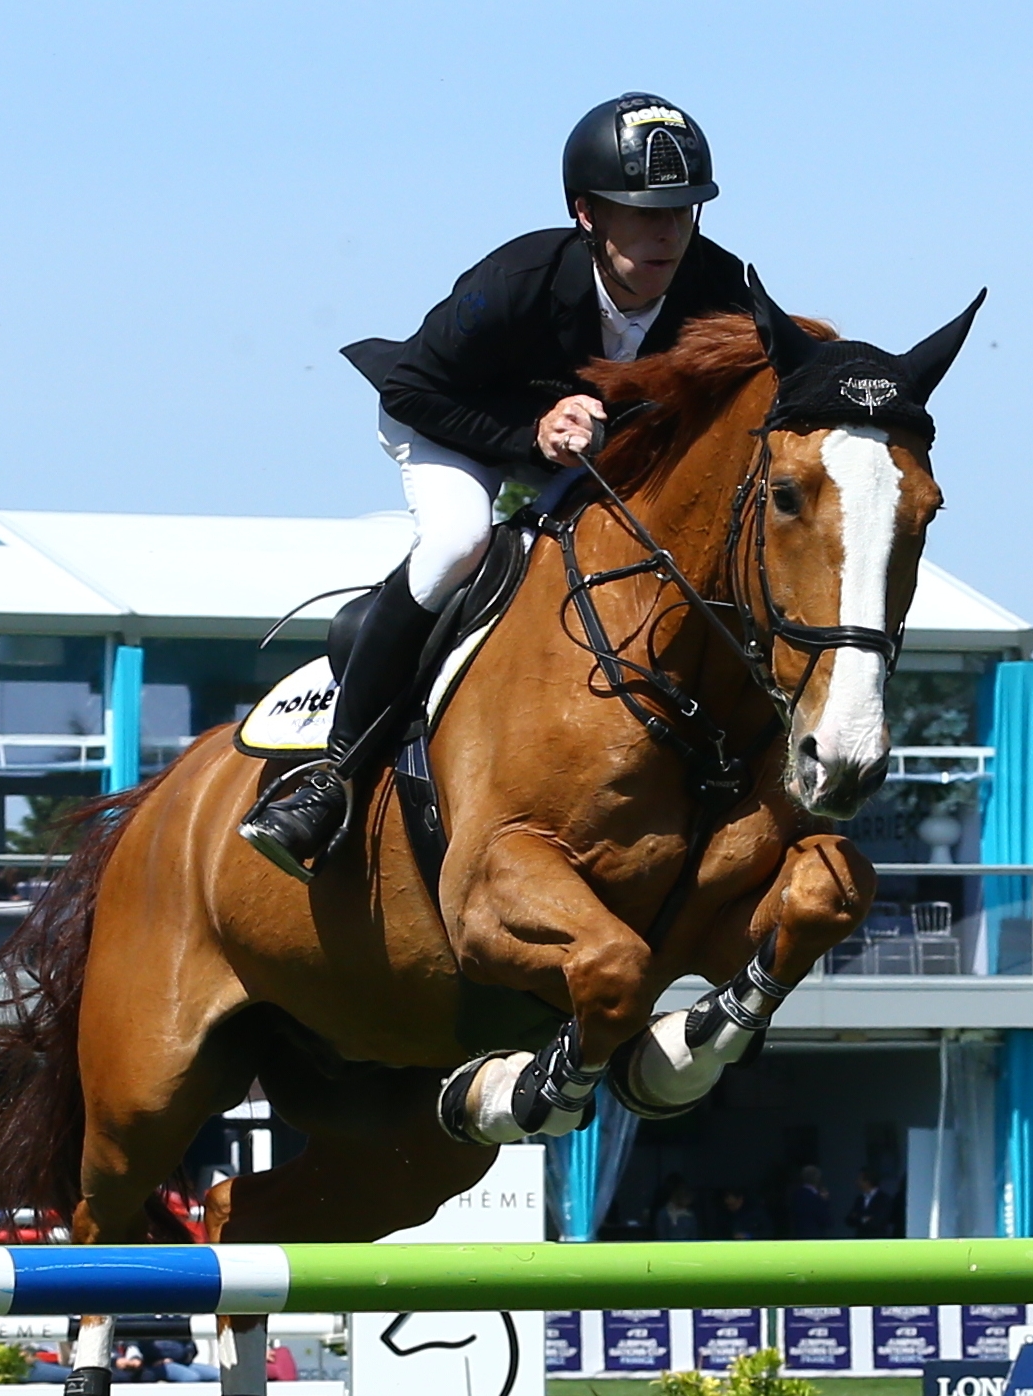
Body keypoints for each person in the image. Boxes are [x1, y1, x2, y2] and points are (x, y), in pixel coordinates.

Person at [238, 92, 751, 880]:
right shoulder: (517, 278)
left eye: (682, 211)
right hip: (450, 423)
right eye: (641, 212)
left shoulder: (719, 289)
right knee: (459, 543)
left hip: (587, 451)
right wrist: (529, 433)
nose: (667, 233)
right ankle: (332, 778)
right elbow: (412, 388)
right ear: (586, 212)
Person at [117, 1335, 221, 1383]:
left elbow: (191, 1346)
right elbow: (134, 1346)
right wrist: (155, 1360)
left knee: (218, 1374)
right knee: (192, 1378)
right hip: (157, 1365)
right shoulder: (144, 1317)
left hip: (182, 1362)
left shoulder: (175, 1316)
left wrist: (185, 1356)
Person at [846, 1168, 900, 1238]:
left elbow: (878, 1222)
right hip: (860, 1239)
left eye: (859, 1179)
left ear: (867, 1181)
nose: (857, 1181)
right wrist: (865, 1219)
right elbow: (849, 1220)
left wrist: (858, 1218)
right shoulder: (859, 1199)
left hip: (877, 1240)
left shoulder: (884, 1199)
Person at [788, 1165, 832, 1239]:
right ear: (817, 1178)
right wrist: (824, 1202)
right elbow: (826, 1220)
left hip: (798, 1235)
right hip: (815, 1237)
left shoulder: (796, 1195)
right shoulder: (816, 1198)